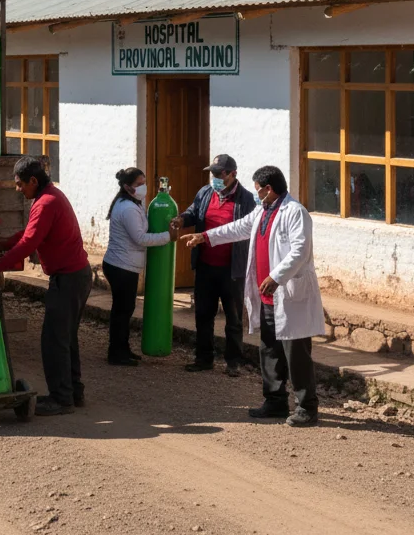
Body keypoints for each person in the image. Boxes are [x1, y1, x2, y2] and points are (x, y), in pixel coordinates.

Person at [180, 165, 325, 427]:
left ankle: (307, 407)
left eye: (259, 189)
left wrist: (276, 276)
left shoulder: (295, 212)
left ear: (269, 189)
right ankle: (275, 401)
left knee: (296, 354)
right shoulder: (263, 210)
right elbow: (238, 228)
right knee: (269, 350)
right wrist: (205, 236)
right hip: (267, 295)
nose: (256, 193)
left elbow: (300, 251)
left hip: (288, 295)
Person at [0, 156, 92, 416]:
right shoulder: (49, 197)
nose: (18, 189)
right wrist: (6, 242)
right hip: (76, 276)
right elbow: (30, 234)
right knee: (66, 338)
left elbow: (29, 244)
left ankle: (62, 399)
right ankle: (74, 392)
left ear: (33, 181)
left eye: (20, 185)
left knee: (53, 341)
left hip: (68, 279)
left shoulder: (46, 202)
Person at [169, 153, 256, 376]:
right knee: (203, 314)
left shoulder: (246, 199)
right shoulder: (205, 193)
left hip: (232, 269)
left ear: (233, 174)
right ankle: (204, 358)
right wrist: (181, 220)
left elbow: (250, 230)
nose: (215, 178)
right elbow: (193, 213)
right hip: (206, 265)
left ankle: (234, 361)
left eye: (219, 174)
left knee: (233, 318)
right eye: (213, 174)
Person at [102, 167, 177, 366]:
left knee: (124, 309)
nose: (143, 187)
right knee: (122, 311)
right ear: (127, 187)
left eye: (144, 182)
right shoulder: (127, 208)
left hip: (123, 265)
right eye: (138, 184)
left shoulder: (131, 202)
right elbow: (140, 238)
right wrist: (168, 237)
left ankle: (122, 349)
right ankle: (116, 353)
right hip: (122, 267)